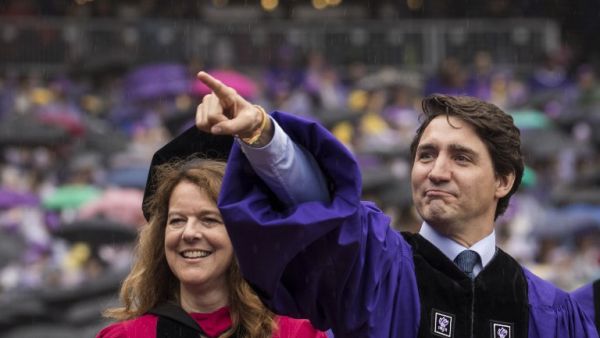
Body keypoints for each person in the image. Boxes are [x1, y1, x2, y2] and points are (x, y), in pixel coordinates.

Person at [194, 71, 598, 338]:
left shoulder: (548, 313)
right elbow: (320, 208)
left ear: (503, 180)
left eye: (461, 157)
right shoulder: (378, 269)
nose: (436, 171)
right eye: (426, 155)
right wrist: (263, 135)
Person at [96, 154, 328, 337]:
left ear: (241, 235)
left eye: (209, 219)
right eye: (177, 220)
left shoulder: (293, 334)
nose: (189, 233)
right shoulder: (128, 336)